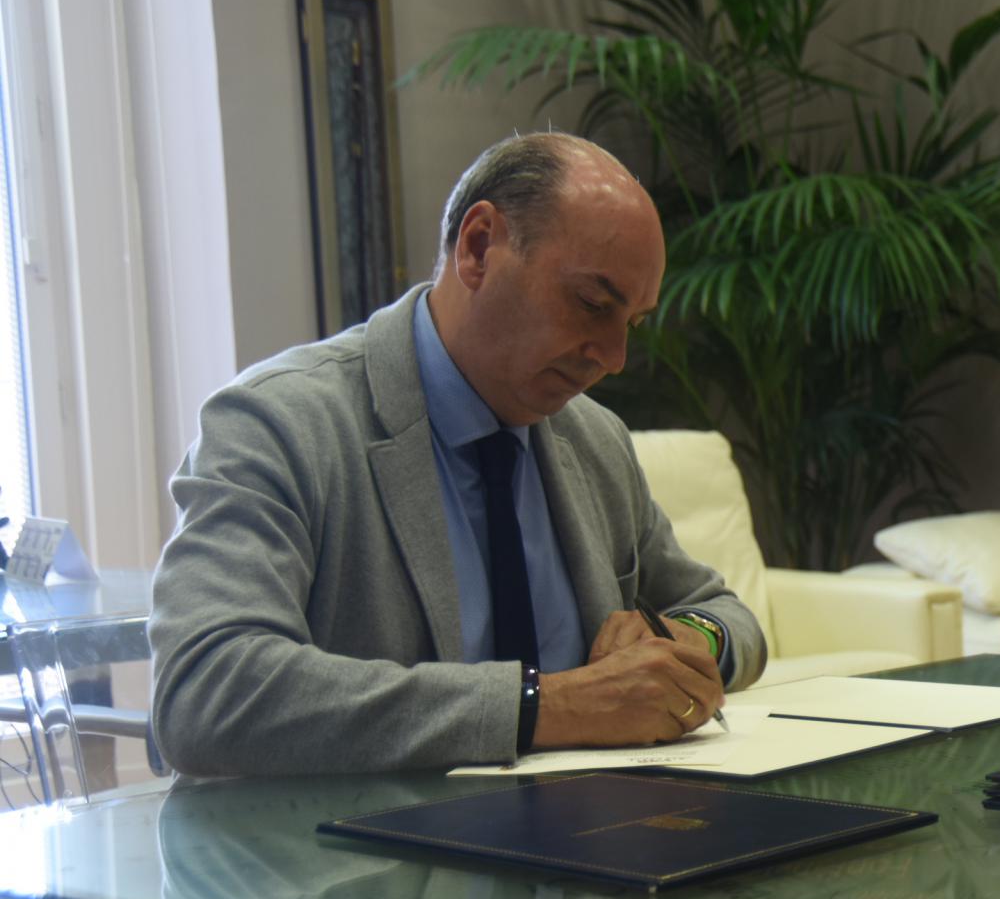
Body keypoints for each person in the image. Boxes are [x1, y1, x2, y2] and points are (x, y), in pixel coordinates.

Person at [150, 133, 765, 775]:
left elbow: (726, 615)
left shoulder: (594, 439)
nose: (614, 358)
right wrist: (547, 708)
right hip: (358, 837)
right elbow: (204, 690)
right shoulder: (278, 423)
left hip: (594, 827)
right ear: (477, 247)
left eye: (632, 323)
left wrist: (684, 640)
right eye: (591, 303)